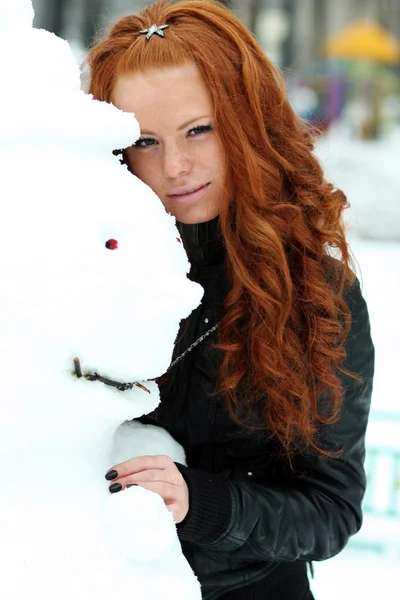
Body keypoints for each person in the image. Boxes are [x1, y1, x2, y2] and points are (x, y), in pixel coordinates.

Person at [87, 1, 374, 598]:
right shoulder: (83, 268)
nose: (175, 166)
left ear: (247, 120)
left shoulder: (317, 296)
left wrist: (204, 503)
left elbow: (330, 511)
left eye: (199, 129)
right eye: (145, 140)